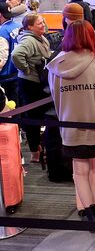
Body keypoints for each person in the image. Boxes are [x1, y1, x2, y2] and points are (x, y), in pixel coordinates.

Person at [47, 20, 95, 222]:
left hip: (70, 128)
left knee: (80, 172)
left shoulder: (55, 66)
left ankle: (90, 217)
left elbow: (55, 97)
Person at [11, 13, 51, 163]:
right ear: (30, 27)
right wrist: (26, 69)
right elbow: (16, 55)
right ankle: (35, 152)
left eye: (43, 22)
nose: (43, 25)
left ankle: (40, 147)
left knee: (40, 115)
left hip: (40, 82)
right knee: (33, 117)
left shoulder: (41, 38)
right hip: (30, 84)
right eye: (39, 23)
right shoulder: (29, 40)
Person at [0, 0, 21, 102]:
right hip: (19, 72)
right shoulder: (18, 26)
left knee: (11, 106)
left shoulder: (1, 31)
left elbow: (1, 58)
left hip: (6, 77)